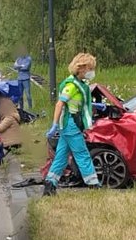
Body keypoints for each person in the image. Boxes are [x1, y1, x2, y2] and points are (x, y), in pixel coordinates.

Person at [43, 53, 102, 195]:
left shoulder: (79, 84)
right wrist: (54, 124)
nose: (92, 72)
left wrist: (96, 105)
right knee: (82, 154)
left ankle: (50, 184)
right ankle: (93, 185)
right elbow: (60, 104)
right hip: (71, 125)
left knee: (61, 157)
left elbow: (78, 103)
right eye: (90, 68)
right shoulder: (71, 86)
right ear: (81, 68)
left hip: (69, 125)